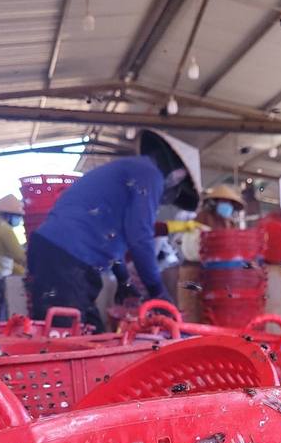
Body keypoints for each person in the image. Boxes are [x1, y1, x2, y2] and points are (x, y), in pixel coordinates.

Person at [27, 130, 201, 332]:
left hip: (63, 257)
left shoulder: (133, 170)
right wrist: (157, 290)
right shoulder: (149, 174)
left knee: (91, 335)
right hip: (65, 258)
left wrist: (123, 278)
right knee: (64, 338)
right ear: (177, 175)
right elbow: (140, 236)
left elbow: (116, 237)